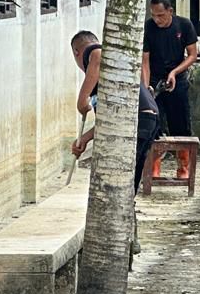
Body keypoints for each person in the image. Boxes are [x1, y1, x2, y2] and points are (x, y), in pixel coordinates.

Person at [69, 31, 161, 192]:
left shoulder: (93, 53)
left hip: (138, 117)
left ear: (76, 52)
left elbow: (97, 54)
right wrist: (84, 139)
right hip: (148, 118)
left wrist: (82, 99)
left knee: (120, 172)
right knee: (130, 175)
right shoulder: (107, 72)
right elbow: (109, 120)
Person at [141, 0, 199, 179]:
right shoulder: (149, 28)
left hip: (177, 79)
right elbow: (145, 61)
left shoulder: (184, 25)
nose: (157, 19)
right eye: (154, 15)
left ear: (170, 11)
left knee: (180, 123)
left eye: (161, 15)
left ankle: (183, 167)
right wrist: (146, 88)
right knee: (154, 124)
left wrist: (174, 72)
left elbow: (192, 55)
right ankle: (154, 166)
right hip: (155, 79)